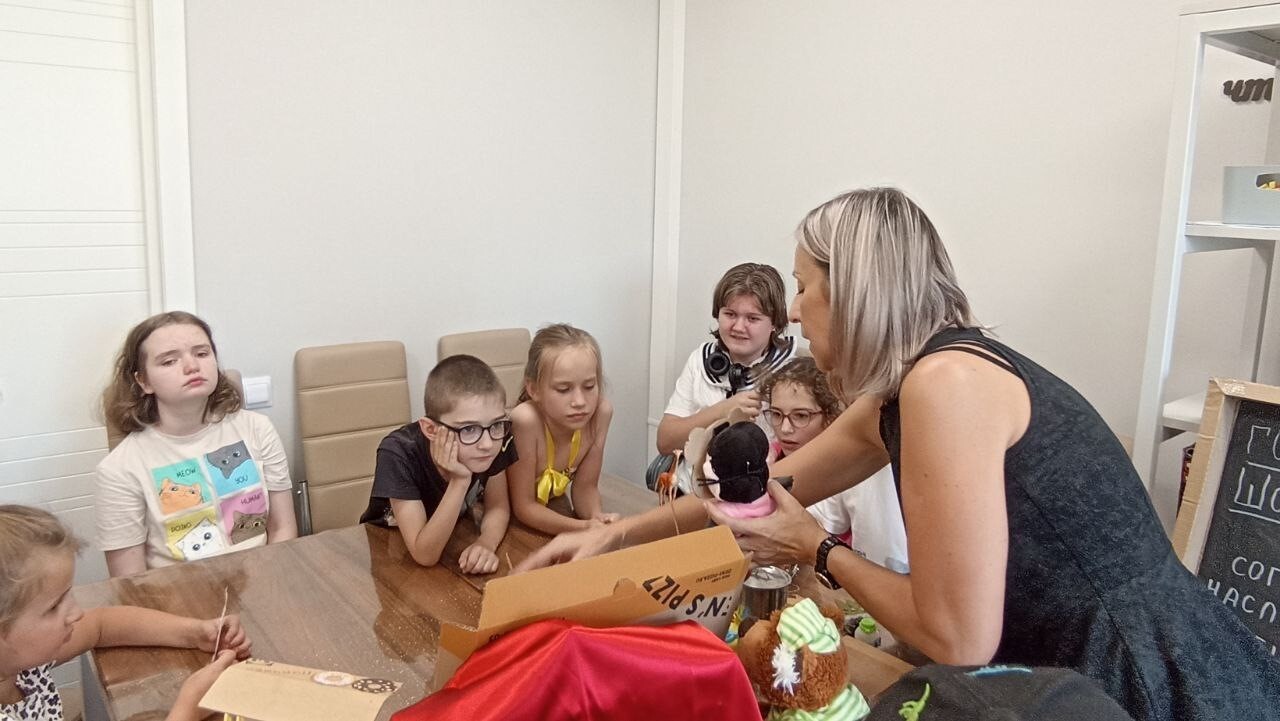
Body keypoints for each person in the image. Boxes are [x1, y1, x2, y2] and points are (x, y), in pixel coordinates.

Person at [520, 187, 1280, 721]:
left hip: (1140, 671)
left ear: (856, 289)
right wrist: (614, 536)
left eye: (804, 286)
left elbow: (958, 637)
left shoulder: (945, 385)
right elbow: (764, 490)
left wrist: (816, 547)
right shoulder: (904, 389)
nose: (796, 310)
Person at [0, 505, 250, 720]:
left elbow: (101, 625)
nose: (76, 613)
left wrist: (195, 633)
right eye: (54, 607)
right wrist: (189, 708)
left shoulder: (19, 662)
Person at [95, 312, 297, 577]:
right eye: (169, 361)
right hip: (178, 595)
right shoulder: (119, 469)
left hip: (262, 579)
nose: (192, 366)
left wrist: (269, 584)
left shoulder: (257, 428)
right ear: (143, 381)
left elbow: (283, 529)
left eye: (202, 354)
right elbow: (130, 581)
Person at [360, 354, 513, 573]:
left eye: (497, 424)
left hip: (453, 533)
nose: (487, 444)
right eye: (469, 429)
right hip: (390, 550)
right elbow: (424, 555)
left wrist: (486, 543)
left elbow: (497, 506)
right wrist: (460, 481)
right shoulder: (398, 452)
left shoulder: (496, 437)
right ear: (431, 429)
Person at [758, 357, 907, 571]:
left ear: (832, 415)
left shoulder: (859, 468)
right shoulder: (768, 457)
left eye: (801, 416)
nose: (785, 428)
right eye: (776, 414)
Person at [655, 263, 797, 458]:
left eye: (752, 318)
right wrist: (723, 410)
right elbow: (665, 442)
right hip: (693, 476)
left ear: (775, 322)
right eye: (730, 314)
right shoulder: (700, 360)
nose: (738, 327)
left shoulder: (792, 371)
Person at [507, 324, 615, 535]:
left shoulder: (600, 414)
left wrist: (598, 518)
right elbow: (523, 507)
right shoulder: (525, 420)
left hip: (550, 512)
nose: (579, 401)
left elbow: (586, 488)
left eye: (589, 386)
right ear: (534, 389)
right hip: (503, 520)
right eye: (564, 389)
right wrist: (583, 527)